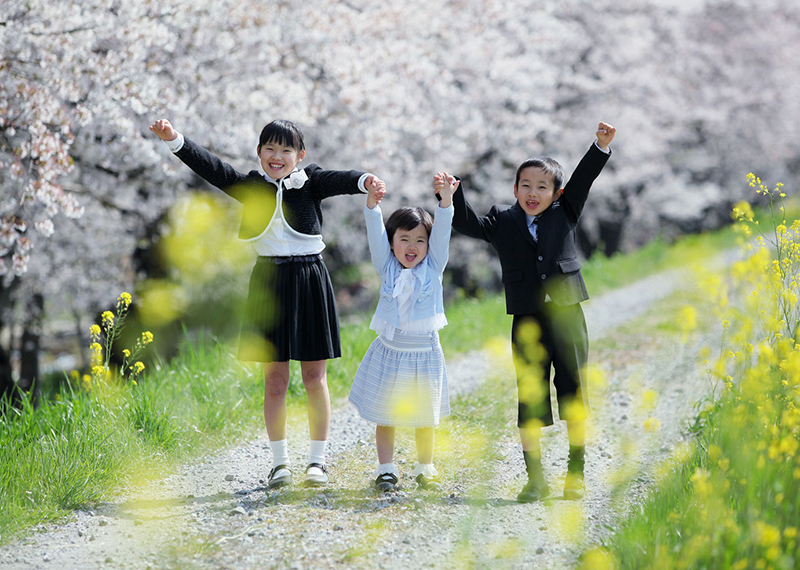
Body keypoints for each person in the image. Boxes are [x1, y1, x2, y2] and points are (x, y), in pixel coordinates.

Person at [150, 118, 385, 489]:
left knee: (314, 377)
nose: (277, 156)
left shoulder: (312, 181)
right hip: (268, 282)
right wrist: (175, 139)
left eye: (286, 150)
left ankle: (317, 462)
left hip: (310, 279)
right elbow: (213, 168)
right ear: (259, 153)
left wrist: (366, 181)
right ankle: (279, 464)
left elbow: (345, 178)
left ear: (300, 155)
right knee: (275, 381)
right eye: (270, 149)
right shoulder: (250, 187)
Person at [434, 122, 616, 502]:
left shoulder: (566, 210)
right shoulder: (503, 219)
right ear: (514, 189)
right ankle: (535, 479)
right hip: (527, 318)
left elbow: (583, 177)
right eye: (526, 186)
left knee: (574, 391)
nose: (533, 194)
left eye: (542, 187)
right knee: (530, 397)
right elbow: (469, 224)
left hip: (566, 314)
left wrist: (599, 147)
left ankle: (575, 473)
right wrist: (451, 196)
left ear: (556, 192)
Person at [348, 172, 459, 492]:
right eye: (404, 239)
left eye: (419, 240)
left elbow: (443, 234)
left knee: (425, 416)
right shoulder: (386, 266)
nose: (412, 246)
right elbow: (374, 234)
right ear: (392, 241)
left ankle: (426, 466)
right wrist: (371, 206)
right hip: (390, 352)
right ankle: (386, 468)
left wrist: (446, 201)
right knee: (387, 414)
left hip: (424, 353)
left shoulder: (434, 265)